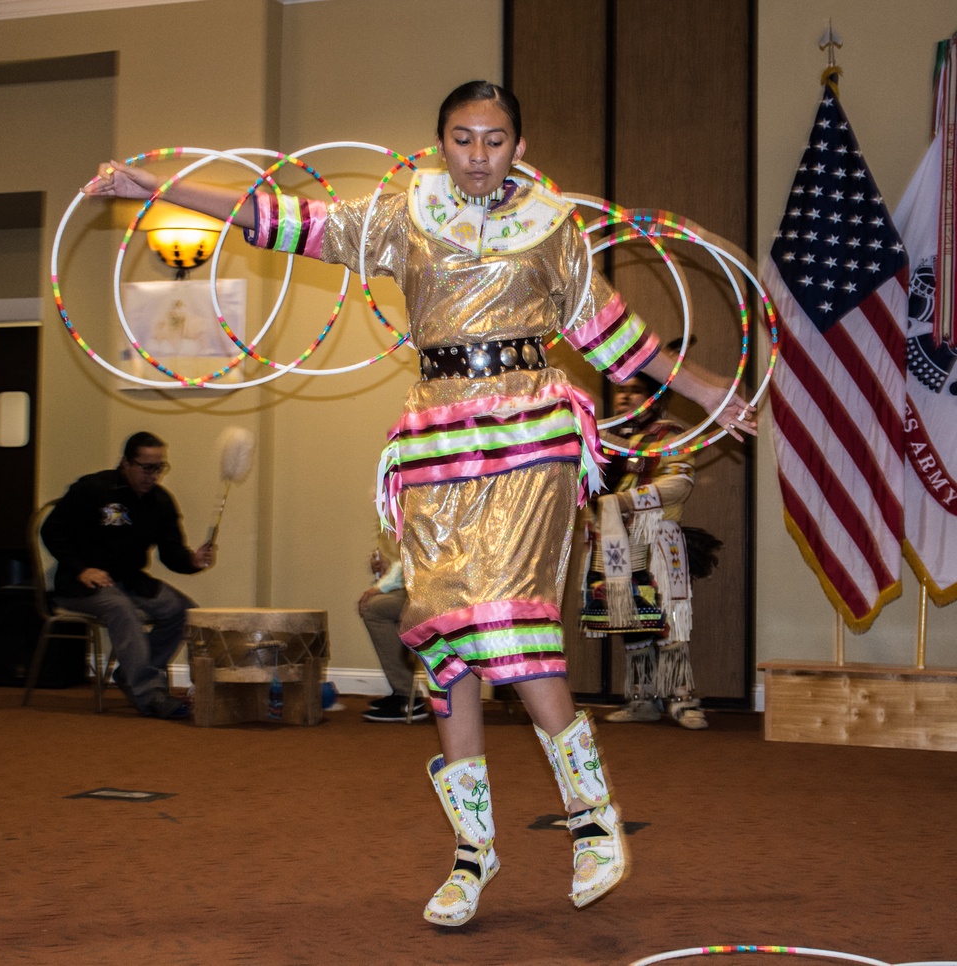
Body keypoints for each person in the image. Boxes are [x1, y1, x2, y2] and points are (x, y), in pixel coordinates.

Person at [84, 80, 756, 925]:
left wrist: (710, 392)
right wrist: (153, 185)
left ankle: (594, 821)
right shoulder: (404, 214)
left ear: (519, 143)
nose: (479, 156)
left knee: (509, 620)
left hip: (529, 435)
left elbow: (618, 339)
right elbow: (278, 218)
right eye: (463, 139)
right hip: (436, 441)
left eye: (496, 139)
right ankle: (473, 854)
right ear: (440, 142)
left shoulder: (553, 225)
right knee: (442, 643)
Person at [41, 431, 215, 720]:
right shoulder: (93, 488)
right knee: (122, 610)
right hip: (80, 583)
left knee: (184, 612)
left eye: (159, 468)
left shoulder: (161, 502)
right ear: (125, 463)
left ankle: (132, 674)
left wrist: (193, 561)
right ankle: (150, 693)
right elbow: (51, 531)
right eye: (146, 467)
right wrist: (81, 568)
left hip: (129, 579)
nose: (153, 475)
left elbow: (172, 554)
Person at [581, 373, 716, 730]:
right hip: (615, 538)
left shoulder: (668, 435)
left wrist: (627, 499)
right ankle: (641, 698)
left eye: (634, 392)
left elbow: (680, 483)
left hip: (657, 535)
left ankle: (682, 697)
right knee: (629, 614)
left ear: (653, 397)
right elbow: (588, 482)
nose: (624, 398)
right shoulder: (608, 440)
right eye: (621, 392)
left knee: (669, 615)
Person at [357, 539, 427, 722]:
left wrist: (377, 588)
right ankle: (406, 693)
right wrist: (387, 573)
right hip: (429, 589)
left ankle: (407, 695)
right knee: (380, 607)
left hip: (440, 594)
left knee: (373, 608)